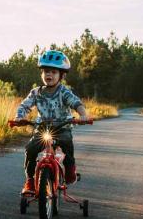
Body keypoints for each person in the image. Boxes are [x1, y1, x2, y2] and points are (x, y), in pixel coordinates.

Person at [14, 50, 89, 195]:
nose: (49, 75)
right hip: (42, 128)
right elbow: (25, 105)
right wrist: (19, 117)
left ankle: (70, 171)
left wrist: (83, 115)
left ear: (62, 75)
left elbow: (76, 103)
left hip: (62, 128)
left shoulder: (64, 92)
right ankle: (30, 180)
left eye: (53, 72)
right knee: (30, 150)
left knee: (67, 146)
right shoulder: (36, 92)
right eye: (46, 71)